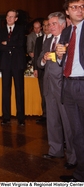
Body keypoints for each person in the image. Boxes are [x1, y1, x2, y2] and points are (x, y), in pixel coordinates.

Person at [37, 12, 76, 170]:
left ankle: (73, 157)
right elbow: (39, 62)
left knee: (68, 124)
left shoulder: (69, 41)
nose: (50, 27)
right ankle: (56, 150)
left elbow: (72, 63)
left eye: (53, 24)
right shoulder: (48, 41)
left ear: (62, 24)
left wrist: (59, 57)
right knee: (52, 121)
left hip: (63, 87)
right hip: (48, 86)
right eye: (49, 24)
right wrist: (44, 59)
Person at [56, 0, 84, 183]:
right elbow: (62, 60)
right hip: (68, 84)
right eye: (74, 7)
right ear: (67, 12)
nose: (79, 10)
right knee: (76, 134)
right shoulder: (66, 32)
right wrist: (58, 55)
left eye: (82, 6)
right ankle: (80, 174)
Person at [0, 9, 26, 126]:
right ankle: (6, 117)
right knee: (5, 91)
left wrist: (7, 44)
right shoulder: (1, 30)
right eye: (8, 16)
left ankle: (21, 117)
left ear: (16, 19)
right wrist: (11, 45)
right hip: (5, 64)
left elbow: (21, 44)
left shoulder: (20, 29)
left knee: (19, 91)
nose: (9, 18)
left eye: (12, 17)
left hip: (18, 64)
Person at [33, 19, 51, 123]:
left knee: (51, 93)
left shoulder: (55, 38)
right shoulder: (39, 39)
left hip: (51, 70)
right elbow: (36, 55)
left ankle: (52, 115)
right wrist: (35, 68)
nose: (46, 27)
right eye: (44, 25)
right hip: (41, 70)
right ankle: (44, 115)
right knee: (43, 93)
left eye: (47, 25)